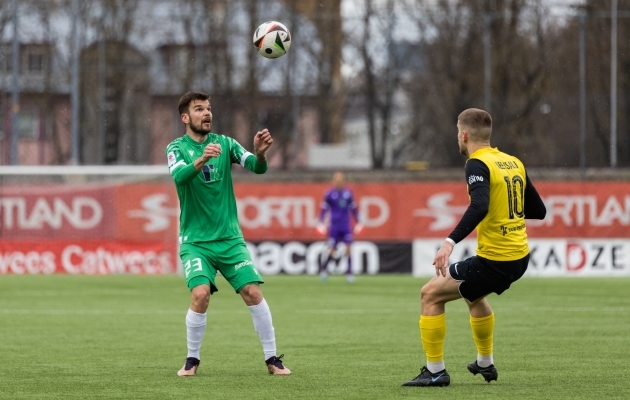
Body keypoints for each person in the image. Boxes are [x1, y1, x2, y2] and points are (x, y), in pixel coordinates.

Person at [402, 108, 546, 387]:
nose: (458, 137)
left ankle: (435, 372)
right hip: (519, 257)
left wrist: (449, 242)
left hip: (496, 260)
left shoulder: (477, 163)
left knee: (429, 294)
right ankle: (485, 363)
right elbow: (538, 210)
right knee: (472, 294)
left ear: (464, 134)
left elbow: (479, 205)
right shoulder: (512, 161)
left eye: (458, 132)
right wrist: (504, 214)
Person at [165, 91, 290, 377]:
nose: (206, 113)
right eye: (199, 109)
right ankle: (191, 361)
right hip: (196, 242)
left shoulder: (225, 143)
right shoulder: (176, 148)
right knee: (200, 294)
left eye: (208, 108)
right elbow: (179, 176)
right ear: (185, 118)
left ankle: (273, 359)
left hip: (230, 240)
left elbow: (256, 168)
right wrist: (201, 160)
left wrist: (259, 154)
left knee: (252, 292)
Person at [316, 171, 363, 283]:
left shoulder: (348, 193)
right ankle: (324, 271)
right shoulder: (329, 193)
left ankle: (350, 274)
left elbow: (353, 209)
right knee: (332, 250)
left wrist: (359, 222)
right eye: (336, 180)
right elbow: (324, 209)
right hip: (334, 226)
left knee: (348, 248)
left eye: (340, 180)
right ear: (334, 181)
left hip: (345, 225)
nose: (338, 182)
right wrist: (320, 222)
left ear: (343, 181)